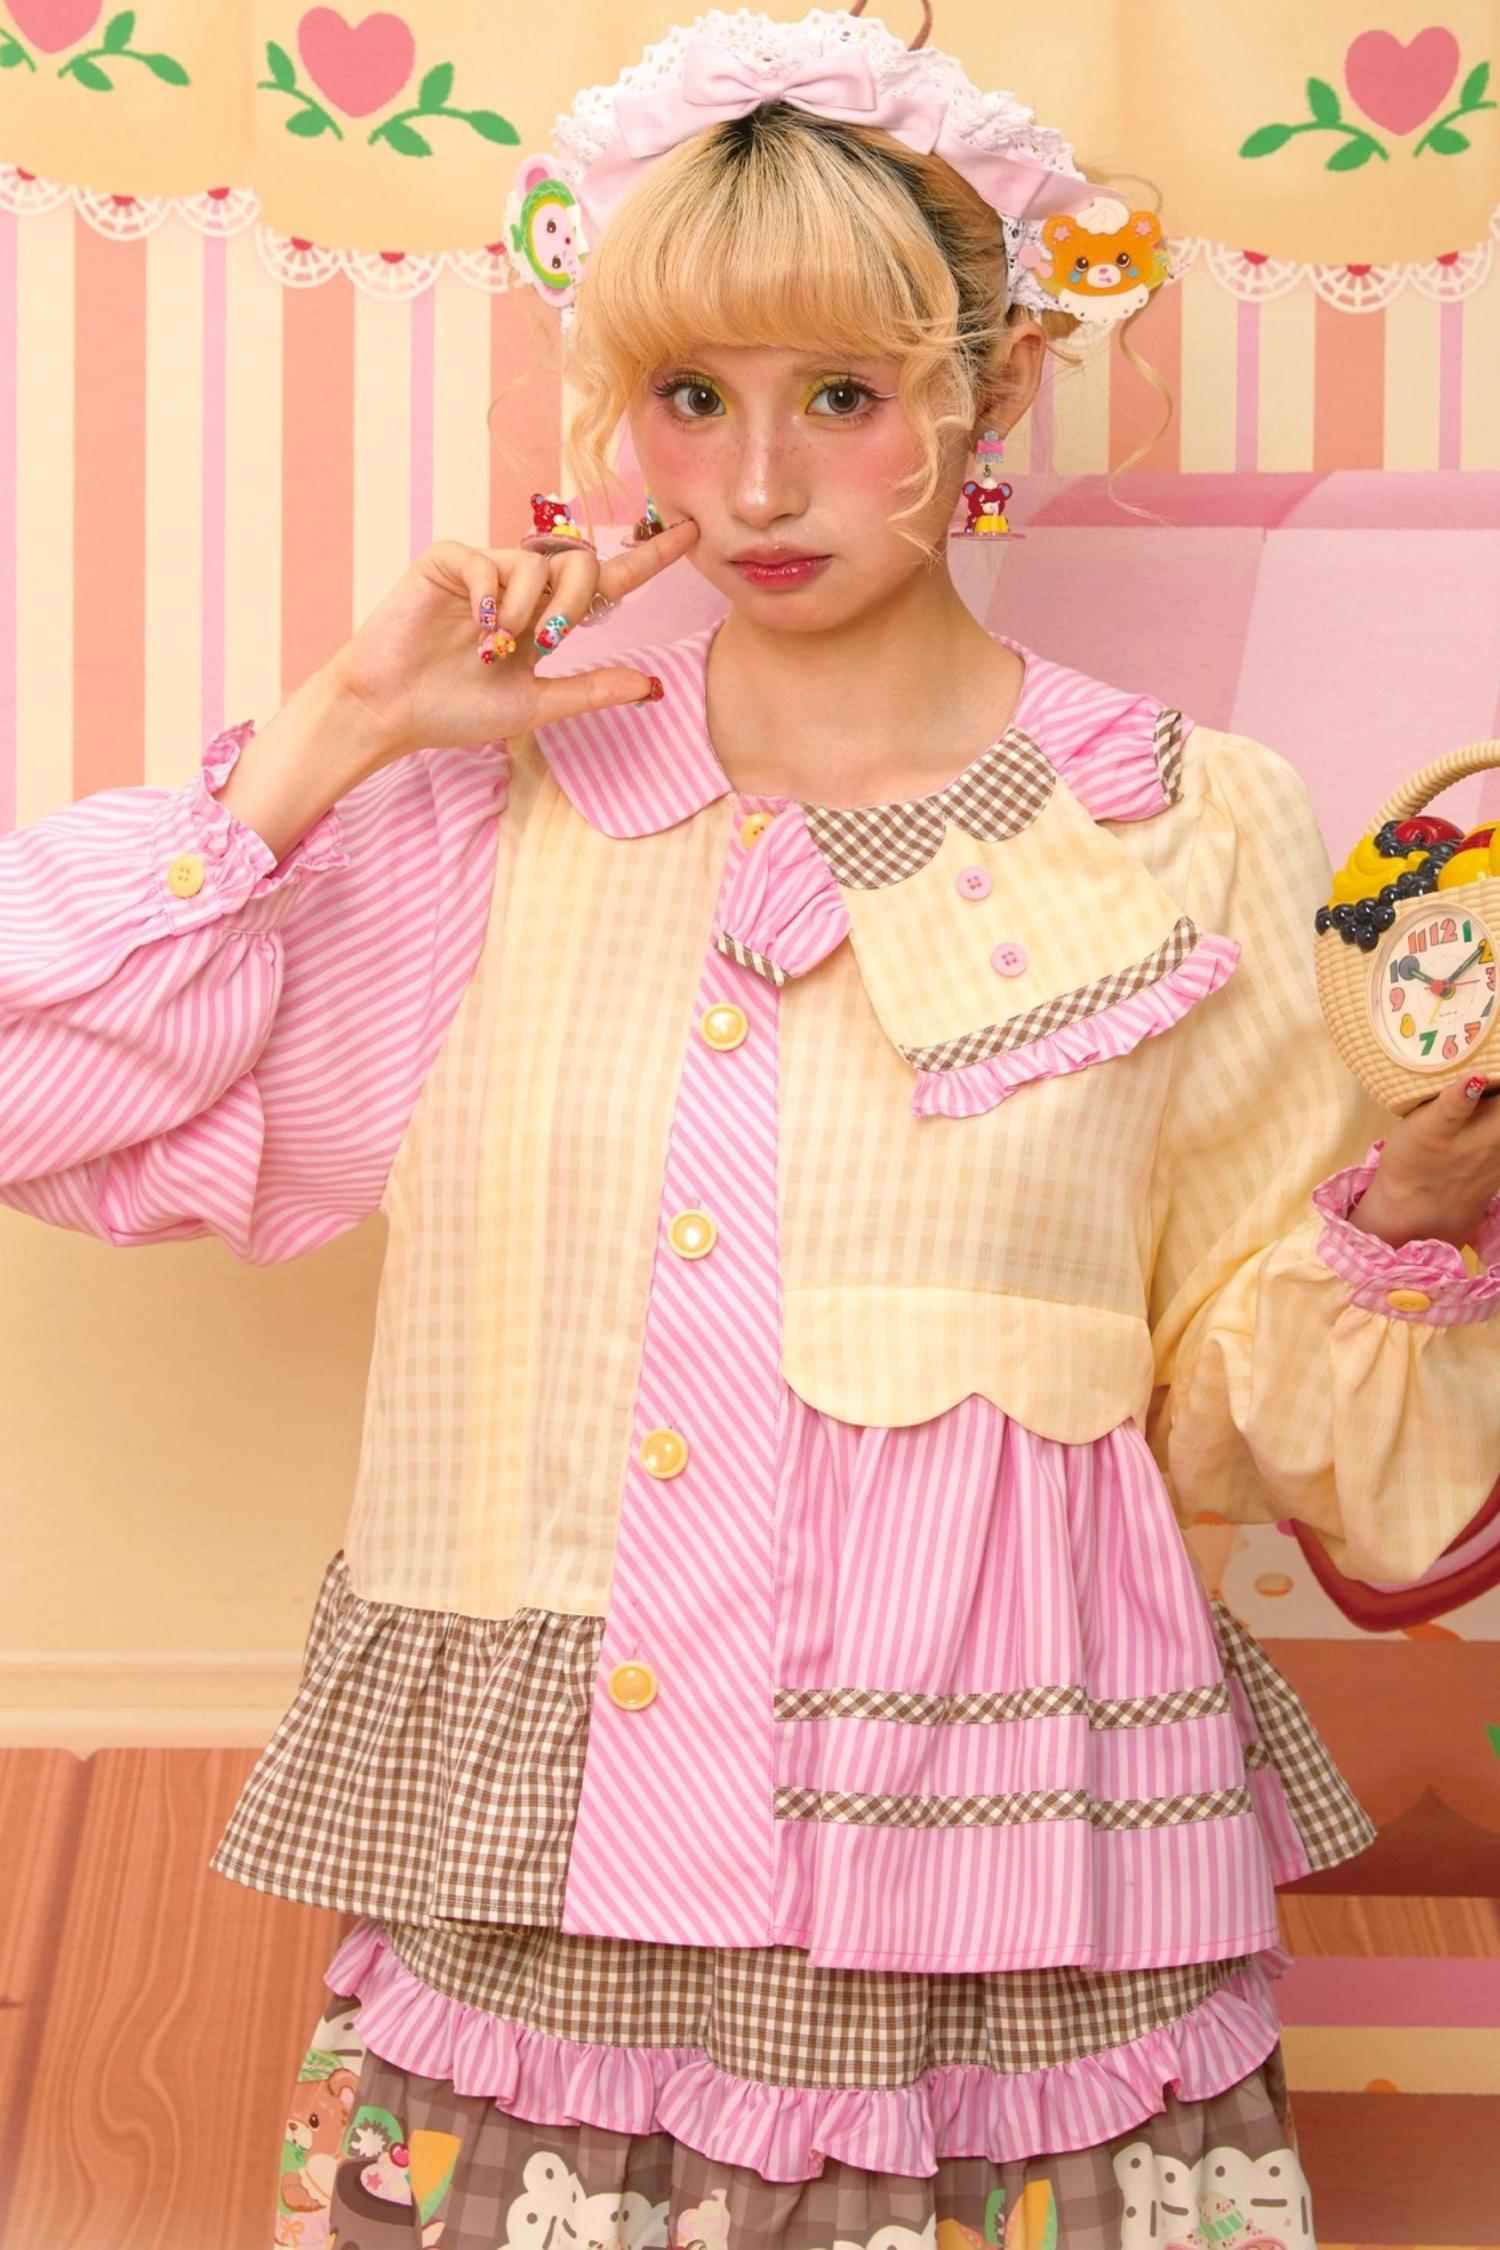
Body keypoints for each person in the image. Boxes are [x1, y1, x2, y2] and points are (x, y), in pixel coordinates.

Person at [4, 10, 1500, 2246]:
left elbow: (1237, 1394)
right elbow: (42, 1084)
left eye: (844, 395)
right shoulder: (479, 801)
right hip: (544, 1897)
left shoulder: (1183, 821)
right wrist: (337, 733)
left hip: (994, 1900)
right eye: (692, 397)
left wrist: (1413, 1212)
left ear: (993, 393)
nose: (761, 486)